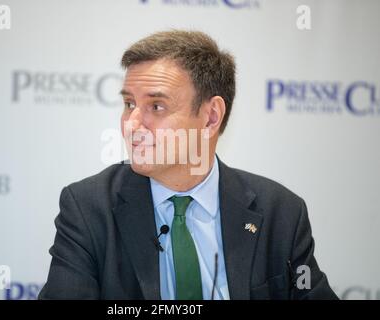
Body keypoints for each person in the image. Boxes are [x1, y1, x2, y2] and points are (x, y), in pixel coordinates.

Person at [39, 30, 338, 300]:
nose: (131, 125)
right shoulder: (88, 209)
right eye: (129, 104)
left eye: (156, 107)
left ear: (210, 117)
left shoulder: (281, 213)